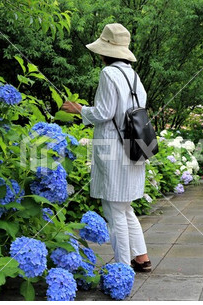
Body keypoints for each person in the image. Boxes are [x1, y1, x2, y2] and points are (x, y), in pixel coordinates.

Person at [61, 23, 151, 272]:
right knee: (125, 206)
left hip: (115, 146)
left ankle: (123, 267)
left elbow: (104, 112)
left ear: (105, 51)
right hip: (136, 144)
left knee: (114, 210)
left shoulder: (108, 74)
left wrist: (78, 108)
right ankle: (141, 257)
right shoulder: (134, 75)